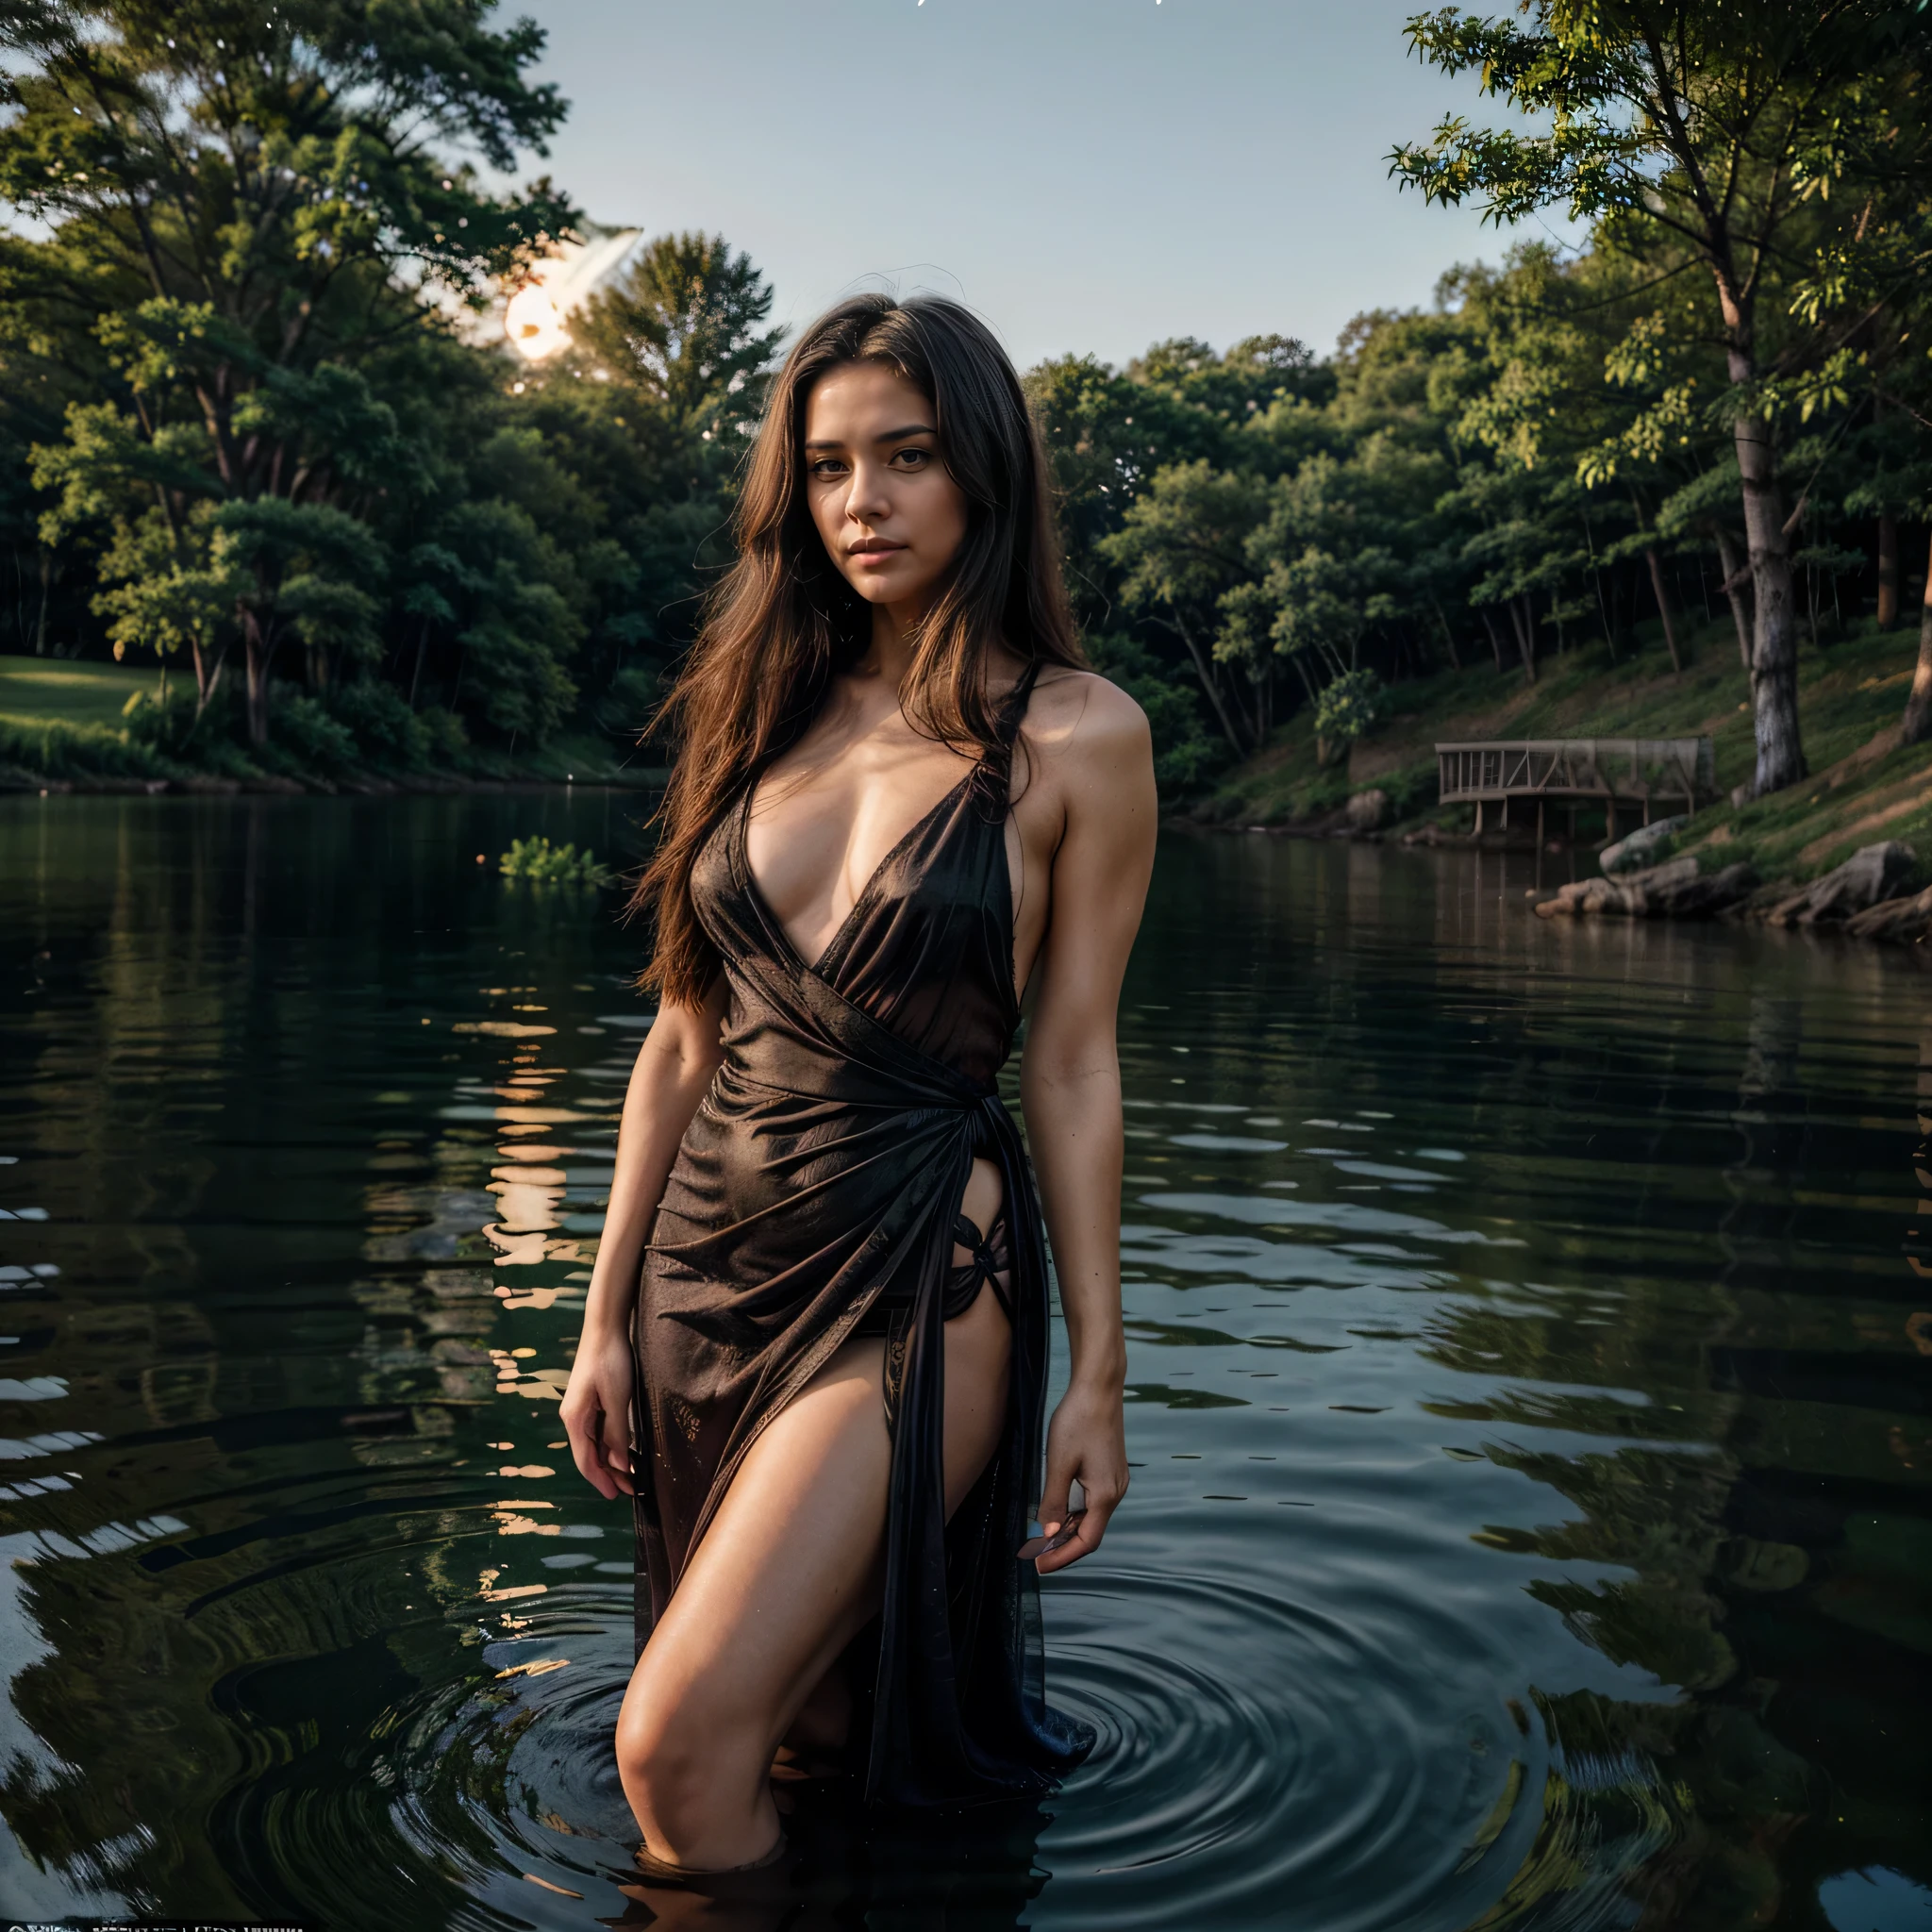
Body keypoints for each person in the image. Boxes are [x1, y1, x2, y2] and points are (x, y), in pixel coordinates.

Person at [559, 291, 1158, 1880]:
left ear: (985, 471)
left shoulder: (1082, 739)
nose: (862, 504)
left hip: (914, 1275)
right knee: (801, 1739)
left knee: (673, 1743)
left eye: (905, 456)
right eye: (827, 467)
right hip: (703, 1277)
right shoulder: (754, 712)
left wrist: (1100, 1364)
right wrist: (602, 1308)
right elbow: (684, 1037)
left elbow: (1075, 1060)